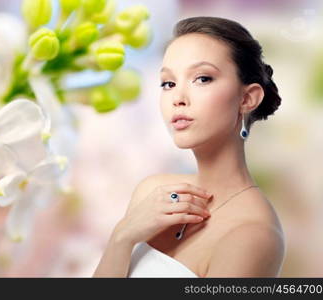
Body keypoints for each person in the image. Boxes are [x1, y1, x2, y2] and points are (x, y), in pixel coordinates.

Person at [93, 16, 285, 278]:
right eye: (168, 84)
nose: (178, 99)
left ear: (247, 98)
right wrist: (122, 237)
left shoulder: (252, 235)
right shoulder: (153, 193)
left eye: (203, 78)